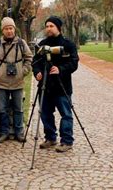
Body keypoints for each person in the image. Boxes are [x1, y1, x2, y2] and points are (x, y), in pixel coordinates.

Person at [32, 16, 79, 153]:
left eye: (51, 26)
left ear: (58, 27)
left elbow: (74, 62)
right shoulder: (41, 45)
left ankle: (67, 141)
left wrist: (61, 69)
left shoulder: (68, 44)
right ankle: (50, 138)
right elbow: (35, 62)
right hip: (45, 86)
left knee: (66, 114)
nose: (48, 28)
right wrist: (37, 72)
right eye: (47, 26)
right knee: (45, 113)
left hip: (62, 86)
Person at [0, 17, 33, 143]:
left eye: (11, 28)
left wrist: (23, 72)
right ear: (3, 30)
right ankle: (4, 132)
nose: (9, 31)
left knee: (19, 109)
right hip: (1, 83)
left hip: (17, 82)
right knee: (3, 110)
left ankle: (19, 132)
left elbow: (29, 58)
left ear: (14, 29)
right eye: (6, 28)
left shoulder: (21, 43)